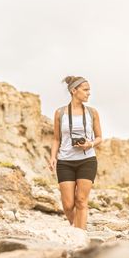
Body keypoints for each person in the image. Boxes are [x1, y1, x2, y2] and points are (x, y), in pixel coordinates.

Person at [48, 76, 102, 230]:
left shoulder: (92, 113)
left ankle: (81, 235)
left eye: (89, 90)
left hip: (87, 160)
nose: (89, 93)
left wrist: (89, 144)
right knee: (68, 204)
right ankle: (74, 227)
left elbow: (99, 138)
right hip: (65, 161)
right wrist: (53, 157)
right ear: (74, 91)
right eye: (85, 90)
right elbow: (56, 139)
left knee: (81, 201)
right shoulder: (60, 113)